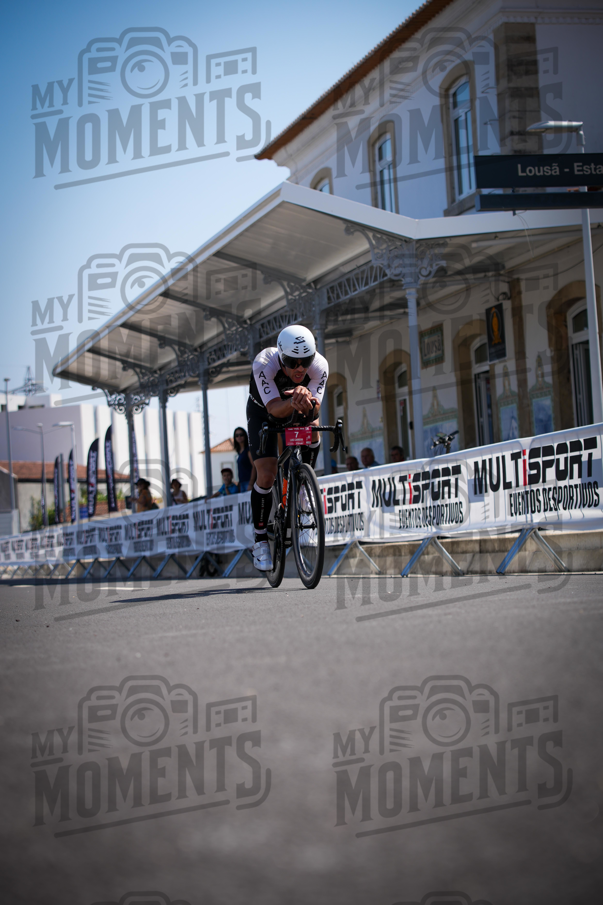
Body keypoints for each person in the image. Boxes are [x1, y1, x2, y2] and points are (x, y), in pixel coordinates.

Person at [247, 324, 328, 571]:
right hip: (264, 413)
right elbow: (273, 409)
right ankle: (260, 540)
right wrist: (294, 400)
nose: (300, 368)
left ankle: (304, 484)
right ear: (281, 357)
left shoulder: (320, 366)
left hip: (296, 406)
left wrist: (307, 401)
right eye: (293, 362)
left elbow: (315, 409)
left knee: (313, 427)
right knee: (267, 474)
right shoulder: (264, 362)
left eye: (306, 361)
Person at [233, 426, 254, 492]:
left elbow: (254, 466)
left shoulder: (248, 450)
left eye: (241, 435)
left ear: (245, 435)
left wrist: (251, 483)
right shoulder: (239, 452)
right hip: (242, 483)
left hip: (249, 482)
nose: (239, 437)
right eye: (237, 435)